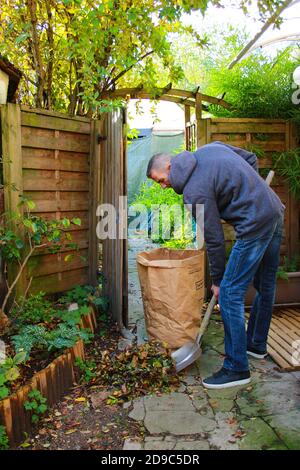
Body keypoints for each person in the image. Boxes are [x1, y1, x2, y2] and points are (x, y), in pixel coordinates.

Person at [146, 141, 284, 389]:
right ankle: (255, 344)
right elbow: (250, 157)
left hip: (255, 225)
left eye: (161, 180)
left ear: (169, 165)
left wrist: (218, 282)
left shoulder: (193, 192)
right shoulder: (211, 148)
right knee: (265, 284)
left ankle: (236, 368)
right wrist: (254, 193)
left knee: (230, 294)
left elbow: (214, 239)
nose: (164, 186)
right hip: (273, 211)